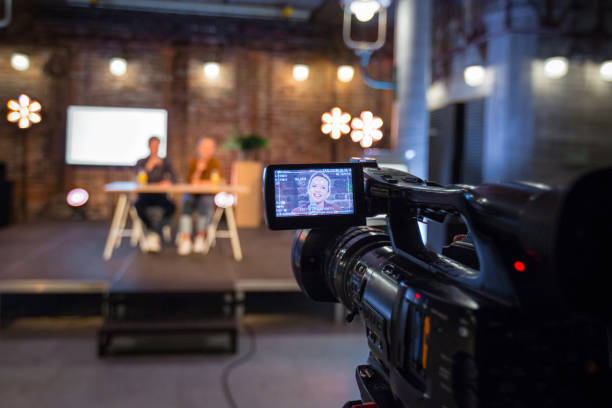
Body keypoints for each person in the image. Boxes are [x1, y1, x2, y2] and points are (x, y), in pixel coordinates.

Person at [177, 137, 223, 255]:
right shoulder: (193, 162)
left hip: (206, 196)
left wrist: (201, 182)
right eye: (204, 147)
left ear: (213, 150)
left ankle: (200, 237)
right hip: (192, 195)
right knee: (186, 203)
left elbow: (216, 182)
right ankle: (186, 239)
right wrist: (198, 170)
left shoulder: (214, 163)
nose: (206, 150)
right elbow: (190, 182)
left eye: (209, 148)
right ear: (199, 148)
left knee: (206, 204)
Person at [134, 136, 176, 252]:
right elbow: (137, 178)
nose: (155, 148)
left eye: (157, 145)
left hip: (160, 195)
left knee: (171, 207)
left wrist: (168, 181)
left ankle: (154, 234)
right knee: (138, 206)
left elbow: (174, 178)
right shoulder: (142, 162)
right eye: (153, 145)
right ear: (149, 146)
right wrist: (148, 167)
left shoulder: (165, 162)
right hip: (145, 196)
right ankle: (151, 232)